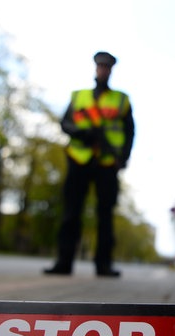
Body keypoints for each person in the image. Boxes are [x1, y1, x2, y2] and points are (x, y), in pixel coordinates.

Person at [44, 51, 134, 277]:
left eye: (107, 67)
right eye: (100, 66)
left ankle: (103, 265)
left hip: (107, 163)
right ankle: (64, 262)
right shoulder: (79, 96)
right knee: (71, 212)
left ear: (111, 70)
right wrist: (81, 133)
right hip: (79, 159)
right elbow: (65, 123)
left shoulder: (121, 99)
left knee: (106, 214)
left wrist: (123, 158)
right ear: (95, 68)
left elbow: (130, 131)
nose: (103, 70)